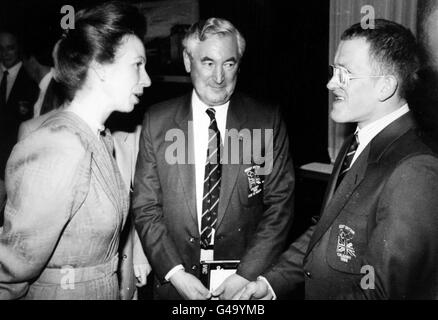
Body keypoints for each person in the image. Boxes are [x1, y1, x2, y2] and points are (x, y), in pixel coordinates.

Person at [240, 19, 438, 300]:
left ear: (385, 87)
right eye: (335, 71)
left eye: (345, 74)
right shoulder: (357, 142)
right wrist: (271, 284)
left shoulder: (416, 169)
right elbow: (327, 230)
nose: (331, 83)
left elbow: (381, 294)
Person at [132, 17, 295, 300]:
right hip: (175, 283)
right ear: (187, 61)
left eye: (229, 64)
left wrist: (246, 274)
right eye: (208, 63)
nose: (219, 77)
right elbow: (146, 206)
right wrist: (175, 273)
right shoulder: (157, 121)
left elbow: (279, 205)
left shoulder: (265, 120)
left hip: (244, 286)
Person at [0, 1, 151, 299]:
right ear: (100, 68)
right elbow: (11, 266)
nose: (146, 79)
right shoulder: (60, 146)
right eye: (138, 65)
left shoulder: (98, 137)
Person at [0, 30, 39, 215]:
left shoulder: (32, 79)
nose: (5, 53)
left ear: (19, 49)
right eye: (1, 49)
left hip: (11, 167)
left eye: (10, 48)